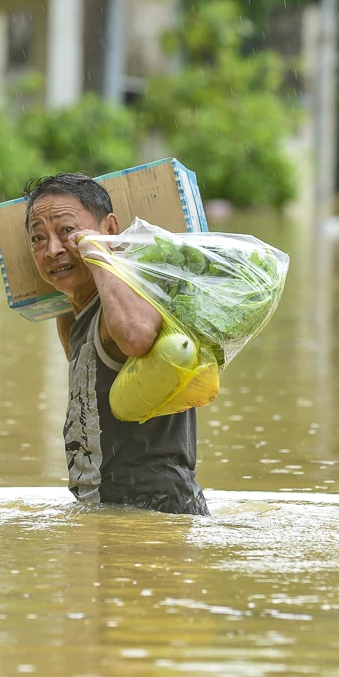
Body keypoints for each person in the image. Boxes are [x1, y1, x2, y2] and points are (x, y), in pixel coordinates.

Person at [24, 173, 209, 516]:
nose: (53, 250)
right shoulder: (73, 318)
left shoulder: (131, 301)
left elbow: (137, 338)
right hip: (107, 510)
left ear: (109, 228)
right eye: (38, 238)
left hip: (157, 511)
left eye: (67, 231)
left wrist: (99, 252)